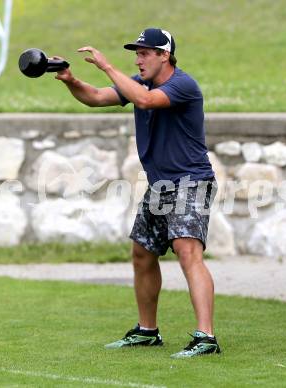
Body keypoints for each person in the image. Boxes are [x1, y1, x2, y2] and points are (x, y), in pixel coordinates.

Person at [54, 28, 220, 358]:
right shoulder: (138, 83)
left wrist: (106, 65)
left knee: (187, 252)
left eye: (145, 52)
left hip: (191, 181)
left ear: (165, 56)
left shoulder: (182, 85)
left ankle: (206, 337)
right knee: (142, 253)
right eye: (137, 52)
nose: (139, 58)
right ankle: (147, 331)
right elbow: (97, 97)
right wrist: (71, 80)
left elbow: (145, 100)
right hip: (160, 184)